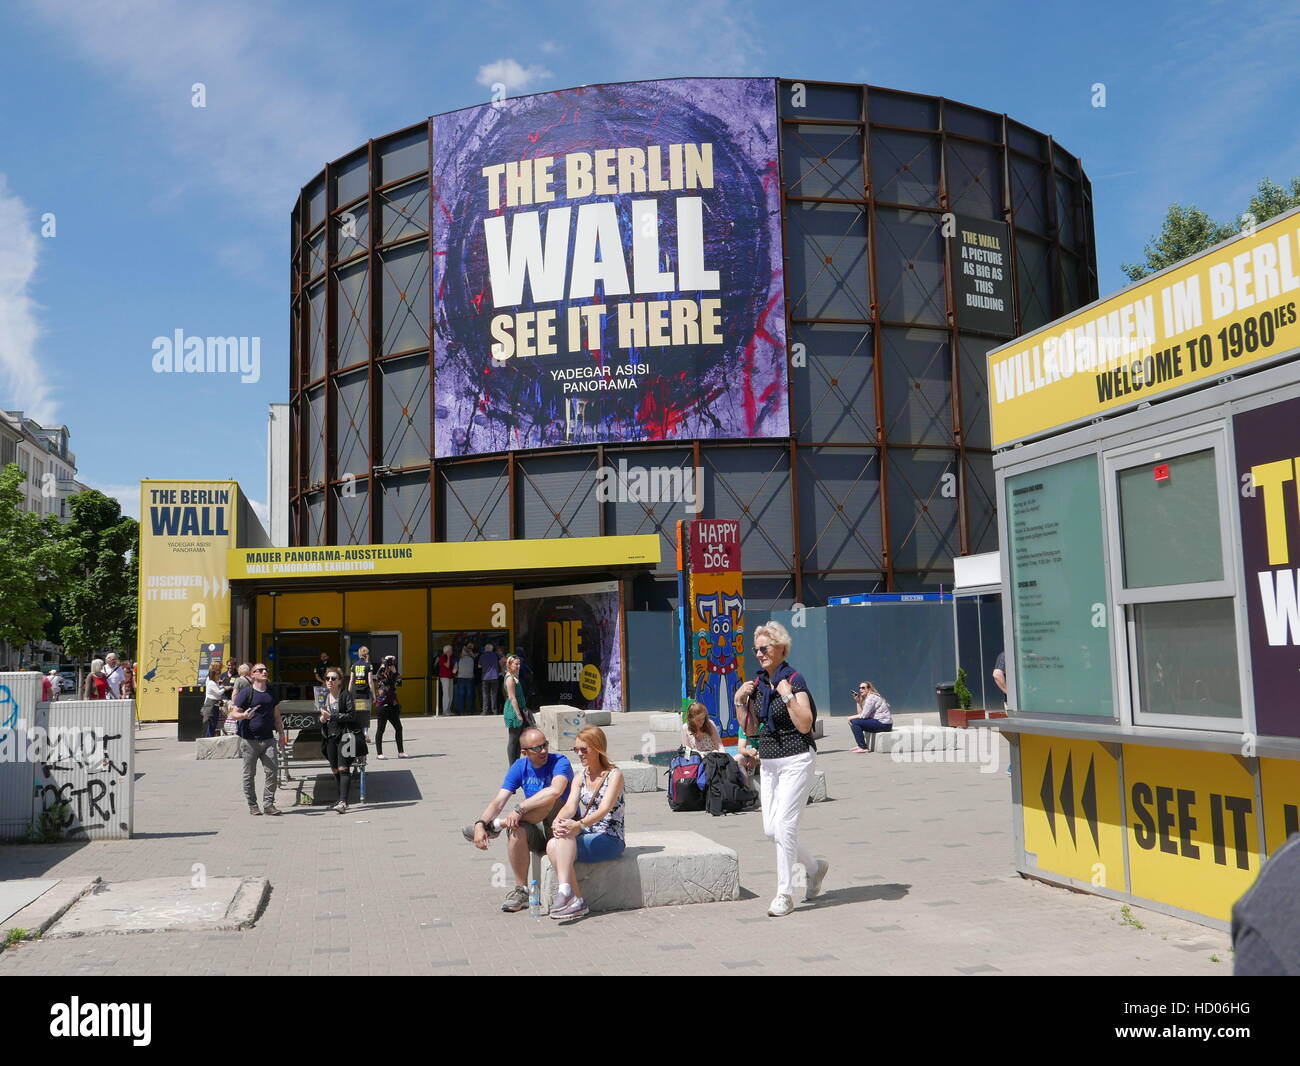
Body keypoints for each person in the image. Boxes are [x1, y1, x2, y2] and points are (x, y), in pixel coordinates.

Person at [734, 620, 829, 918]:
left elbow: (805, 723)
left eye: (764, 648)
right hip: (770, 762)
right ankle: (814, 869)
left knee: (785, 826)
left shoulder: (794, 679)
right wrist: (739, 701)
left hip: (797, 758)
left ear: (781, 649)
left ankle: (784, 894)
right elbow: (750, 727)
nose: (759, 654)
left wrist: (787, 694)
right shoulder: (759, 683)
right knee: (771, 830)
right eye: (756, 649)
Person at [462, 727, 572, 912]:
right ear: (524, 752)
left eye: (545, 745)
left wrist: (520, 809)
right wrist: (480, 823)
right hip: (538, 829)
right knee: (515, 830)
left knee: (549, 799)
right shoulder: (520, 767)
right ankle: (522, 891)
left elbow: (556, 791)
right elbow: (498, 801)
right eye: (537, 748)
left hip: (561, 829)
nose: (544, 750)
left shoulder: (560, 761)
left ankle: (497, 826)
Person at [545, 726, 625, 920]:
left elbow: (604, 809)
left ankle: (572, 897)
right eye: (576, 750)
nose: (579, 754)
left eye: (584, 749)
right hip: (587, 833)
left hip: (610, 837)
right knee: (552, 843)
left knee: (562, 840)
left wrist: (578, 825)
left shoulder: (614, 775)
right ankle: (573, 897)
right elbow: (570, 806)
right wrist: (559, 819)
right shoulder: (580, 777)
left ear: (598, 748)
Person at [227, 663, 287, 816]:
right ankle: (253, 805)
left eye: (266, 669)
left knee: (272, 771)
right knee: (249, 774)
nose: (264, 671)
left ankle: (268, 804)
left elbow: (277, 716)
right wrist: (244, 716)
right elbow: (233, 713)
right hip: (249, 740)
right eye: (260, 670)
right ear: (252, 675)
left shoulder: (272, 692)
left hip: (268, 739)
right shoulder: (246, 693)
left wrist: (281, 735)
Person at [319, 666, 365, 813]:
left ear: (340, 681)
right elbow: (323, 717)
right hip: (331, 736)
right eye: (328, 678)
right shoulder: (325, 697)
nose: (330, 681)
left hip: (347, 735)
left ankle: (343, 802)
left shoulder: (345, 695)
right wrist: (322, 719)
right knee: (334, 769)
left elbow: (351, 716)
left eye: (333, 678)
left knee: (343, 768)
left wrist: (331, 716)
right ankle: (340, 798)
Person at [373, 654, 406, 759]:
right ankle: (379, 753)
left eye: (390, 665)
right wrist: (384, 664)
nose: (389, 667)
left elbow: (399, 682)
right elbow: (378, 675)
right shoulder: (381, 675)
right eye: (388, 665)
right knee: (381, 729)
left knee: (399, 728)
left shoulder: (393, 675)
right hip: (382, 705)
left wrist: (395, 670)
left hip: (393, 705)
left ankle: (401, 752)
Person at [502, 654, 532, 765]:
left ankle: (516, 763)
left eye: (519, 663)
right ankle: (512, 765)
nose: (518, 666)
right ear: (509, 664)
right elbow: (512, 697)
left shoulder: (514, 676)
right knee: (513, 738)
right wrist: (518, 714)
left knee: (519, 738)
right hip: (513, 710)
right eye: (516, 664)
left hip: (519, 708)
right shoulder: (510, 678)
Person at [848, 681, 892, 753]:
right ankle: (860, 745)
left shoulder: (871, 698)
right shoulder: (869, 697)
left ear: (869, 689)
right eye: (860, 688)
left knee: (855, 722)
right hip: (880, 722)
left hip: (884, 724)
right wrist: (858, 701)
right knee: (855, 721)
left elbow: (863, 716)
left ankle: (863, 747)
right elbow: (861, 714)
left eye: (863, 688)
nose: (860, 690)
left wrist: (849, 717)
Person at [201, 661, 227, 738]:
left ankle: (209, 739)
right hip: (210, 705)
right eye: (218, 672)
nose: (220, 674)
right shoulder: (211, 681)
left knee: (213, 725)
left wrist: (220, 684)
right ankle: (208, 741)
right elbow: (218, 692)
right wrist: (224, 688)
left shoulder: (213, 680)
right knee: (211, 725)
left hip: (214, 704)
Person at [479, 643, 501, 716]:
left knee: (485, 694)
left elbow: (479, 666)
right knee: (493, 694)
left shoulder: (482, 656)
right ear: (491, 649)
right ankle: (494, 711)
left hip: (485, 677)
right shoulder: (496, 655)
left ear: (485, 649)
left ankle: (485, 711)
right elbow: (500, 662)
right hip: (495, 677)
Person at [454, 642, 476, 716]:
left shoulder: (458, 660)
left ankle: (461, 711)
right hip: (470, 679)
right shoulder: (472, 659)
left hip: (461, 679)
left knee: (461, 696)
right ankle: (470, 711)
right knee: (470, 696)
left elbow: (454, 671)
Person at [437, 645, 454, 716]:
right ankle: (445, 710)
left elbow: (452, 667)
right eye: (451, 650)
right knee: (446, 694)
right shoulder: (442, 657)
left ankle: (448, 709)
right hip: (444, 677)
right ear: (447, 651)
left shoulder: (451, 657)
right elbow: (447, 665)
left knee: (450, 694)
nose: (452, 651)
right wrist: (448, 657)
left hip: (450, 677)